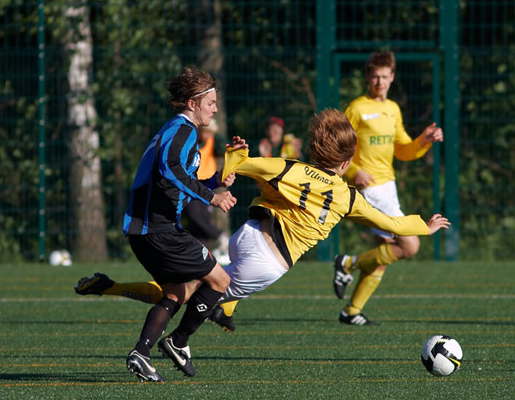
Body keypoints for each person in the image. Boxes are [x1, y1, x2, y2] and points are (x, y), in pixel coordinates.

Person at [75, 109, 449, 335]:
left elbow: (241, 165)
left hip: (248, 234)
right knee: (181, 295)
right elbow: (393, 225)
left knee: (199, 287)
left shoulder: (291, 169)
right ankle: (117, 291)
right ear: (347, 162)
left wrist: (235, 155)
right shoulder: (348, 196)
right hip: (268, 257)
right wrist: (426, 226)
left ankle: (225, 309)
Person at [121, 67, 239, 382]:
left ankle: (141, 354)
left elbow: (177, 178)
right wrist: (211, 198)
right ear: (191, 103)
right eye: (211, 102)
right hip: (158, 230)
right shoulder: (183, 130)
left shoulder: (176, 130)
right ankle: (177, 341)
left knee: (175, 294)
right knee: (220, 281)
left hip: (146, 231)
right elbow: (169, 168)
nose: (215, 108)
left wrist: (216, 181)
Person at [332, 50, 444, 326]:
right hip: (371, 190)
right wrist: (355, 171)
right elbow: (337, 145)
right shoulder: (357, 108)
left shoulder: (393, 109)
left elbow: (403, 151)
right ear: (368, 78)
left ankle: (351, 311)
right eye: (374, 77)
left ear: (392, 77)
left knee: (383, 255)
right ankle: (347, 263)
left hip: (388, 186)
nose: (379, 82)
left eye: (384, 77)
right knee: (410, 244)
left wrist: (424, 140)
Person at [181, 119, 231, 264]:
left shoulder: (212, 142)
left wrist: (217, 136)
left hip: (205, 186)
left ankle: (219, 238)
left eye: (211, 133)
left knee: (197, 217)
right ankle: (201, 254)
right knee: (195, 220)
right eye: (206, 132)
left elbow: (223, 149)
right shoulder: (192, 143)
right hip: (192, 185)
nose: (208, 136)